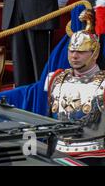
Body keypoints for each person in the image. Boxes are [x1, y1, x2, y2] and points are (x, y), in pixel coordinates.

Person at [45, 13, 105, 165]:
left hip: (95, 155)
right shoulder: (56, 79)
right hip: (59, 153)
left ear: (95, 53)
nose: (74, 56)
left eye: (81, 52)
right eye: (72, 51)